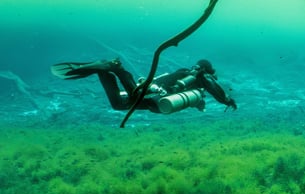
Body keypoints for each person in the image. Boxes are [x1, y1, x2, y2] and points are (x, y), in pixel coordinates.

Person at [51, 57, 237, 114]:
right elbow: (216, 91)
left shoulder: (184, 72)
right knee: (133, 97)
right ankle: (118, 69)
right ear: (207, 70)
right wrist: (228, 101)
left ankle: (104, 72)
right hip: (159, 96)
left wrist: (198, 103)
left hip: (154, 89)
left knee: (118, 105)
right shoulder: (202, 77)